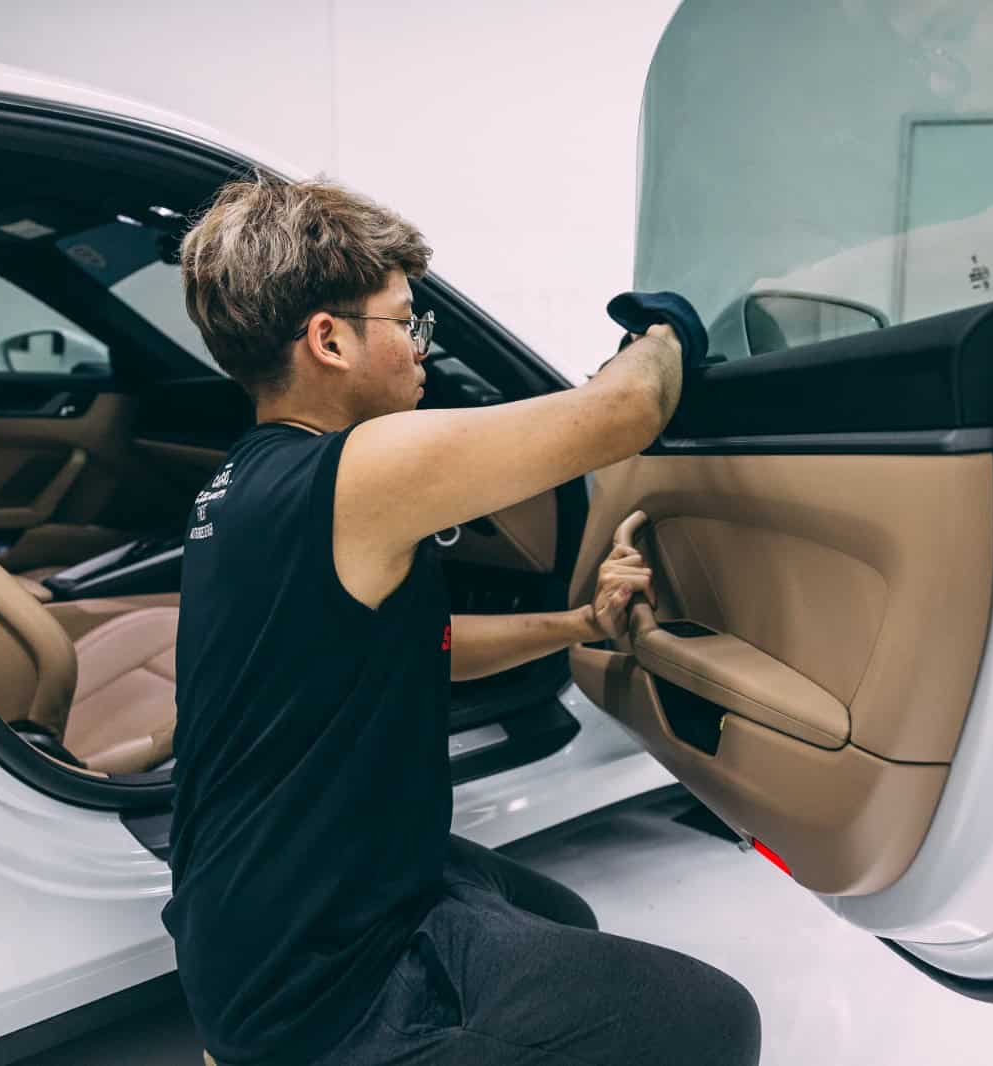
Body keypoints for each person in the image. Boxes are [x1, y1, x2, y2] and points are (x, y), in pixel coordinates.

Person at [163, 174, 762, 1066]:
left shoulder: (248, 483)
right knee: (712, 1023)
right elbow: (627, 411)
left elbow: (416, 652)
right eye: (405, 322)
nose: (420, 350)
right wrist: (668, 326)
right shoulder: (357, 470)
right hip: (318, 977)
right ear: (327, 340)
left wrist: (575, 625)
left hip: (273, 910)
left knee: (560, 917)